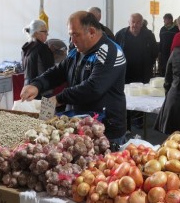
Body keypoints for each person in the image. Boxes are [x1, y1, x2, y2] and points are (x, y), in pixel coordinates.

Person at [20, 11, 127, 145]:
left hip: (105, 129)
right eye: (70, 35)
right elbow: (59, 71)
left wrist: (58, 99)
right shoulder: (77, 51)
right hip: (79, 123)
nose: (72, 40)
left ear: (92, 32)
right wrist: (36, 85)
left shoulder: (109, 51)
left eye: (76, 35)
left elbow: (94, 87)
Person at [115, 13, 158, 84]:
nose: (135, 25)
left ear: (142, 24)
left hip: (143, 73)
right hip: (125, 72)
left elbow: (155, 52)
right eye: (133, 22)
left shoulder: (149, 35)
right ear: (129, 22)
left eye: (138, 22)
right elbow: (114, 52)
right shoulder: (120, 35)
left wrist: (149, 64)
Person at [21, 19, 54, 99]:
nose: (47, 34)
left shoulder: (25, 47)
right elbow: (51, 70)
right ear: (36, 33)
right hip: (42, 90)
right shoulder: (42, 48)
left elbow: (23, 68)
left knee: (31, 111)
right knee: (47, 112)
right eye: (45, 31)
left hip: (28, 89)